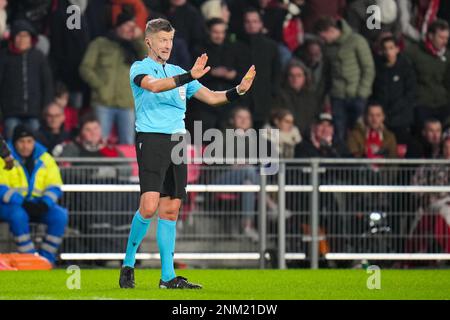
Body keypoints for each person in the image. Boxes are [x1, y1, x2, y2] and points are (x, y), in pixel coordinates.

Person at [119, 18, 256, 289]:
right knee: (148, 207)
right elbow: (155, 86)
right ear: (149, 41)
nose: (167, 45)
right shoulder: (140, 67)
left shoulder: (180, 71)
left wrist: (238, 90)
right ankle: (128, 263)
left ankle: (167, 277)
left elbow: (213, 97)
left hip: (177, 141)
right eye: (162, 40)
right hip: (152, 139)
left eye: (170, 40)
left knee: (170, 210)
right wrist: (189, 76)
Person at [0, 125, 68, 264]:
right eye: (21, 141)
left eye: (29, 141)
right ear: (14, 142)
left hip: (39, 204)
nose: (25, 146)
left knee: (60, 215)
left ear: (34, 142)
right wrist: (22, 202)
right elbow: (1, 188)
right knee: (18, 215)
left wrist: (45, 203)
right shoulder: (5, 158)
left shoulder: (45, 158)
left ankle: (46, 259)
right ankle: (29, 259)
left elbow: (55, 185)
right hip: (12, 205)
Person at [79, 11, 147, 145]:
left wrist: (139, 39)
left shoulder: (135, 47)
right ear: (118, 27)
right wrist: (100, 86)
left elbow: (149, 63)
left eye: (133, 27)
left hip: (127, 103)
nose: (131, 30)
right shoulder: (100, 43)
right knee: (99, 141)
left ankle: (124, 168)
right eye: (128, 26)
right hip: (102, 102)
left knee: (127, 143)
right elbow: (85, 68)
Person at [314, 16, 375, 142]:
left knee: (358, 133)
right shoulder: (327, 47)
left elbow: (368, 68)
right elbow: (327, 72)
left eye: (323, 36)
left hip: (357, 96)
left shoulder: (357, 41)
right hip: (337, 97)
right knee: (339, 132)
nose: (322, 40)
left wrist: (362, 93)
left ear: (330, 30)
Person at [0, 19, 53, 139]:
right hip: (10, 112)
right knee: (11, 144)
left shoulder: (39, 57)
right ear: (13, 38)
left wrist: (45, 107)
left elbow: (47, 84)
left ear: (31, 38)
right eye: (19, 35)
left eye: (25, 36)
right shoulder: (4, 57)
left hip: (34, 112)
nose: (22, 39)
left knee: (33, 143)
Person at [187, 18, 239, 134]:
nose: (219, 35)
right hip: (204, 105)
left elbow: (243, 75)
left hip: (227, 104)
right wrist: (212, 73)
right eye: (216, 32)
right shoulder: (198, 50)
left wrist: (233, 75)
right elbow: (190, 76)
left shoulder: (233, 49)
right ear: (208, 32)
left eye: (222, 32)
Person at [233, 8, 281, 129]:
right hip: (242, 102)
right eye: (248, 22)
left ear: (260, 24)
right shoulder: (235, 47)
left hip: (265, 102)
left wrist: (273, 95)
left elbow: (277, 74)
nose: (251, 25)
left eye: (255, 21)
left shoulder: (271, 47)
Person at [405, 19, 450, 130]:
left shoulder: (448, 56)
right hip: (421, 103)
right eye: (441, 37)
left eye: (446, 38)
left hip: (443, 103)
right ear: (430, 36)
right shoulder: (413, 52)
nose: (444, 41)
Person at [371, 36, 416, 144]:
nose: (388, 52)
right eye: (385, 49)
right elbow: (374, 92)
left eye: (391, 48)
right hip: (382, 119)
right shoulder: (377, 68)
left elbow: (410, 92)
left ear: (397, 49)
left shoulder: (406, 67)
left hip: (401, 118)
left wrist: (396, 108)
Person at [276, 60, 322, 135]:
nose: (295, 79)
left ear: (305, 77)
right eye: (291, 75)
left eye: (299, 75)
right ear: (286, 77)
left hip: (308, 137)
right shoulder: (279, 96)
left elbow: (315, 119)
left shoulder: (312, 97)